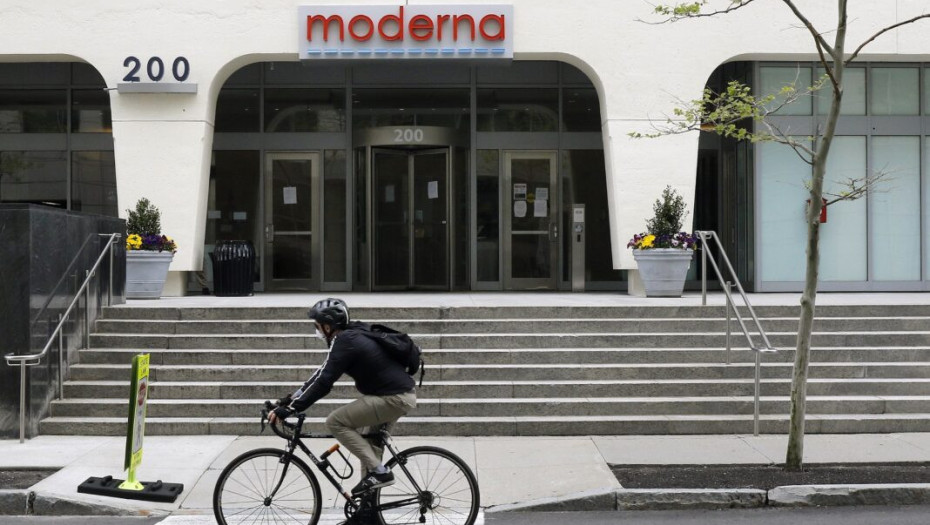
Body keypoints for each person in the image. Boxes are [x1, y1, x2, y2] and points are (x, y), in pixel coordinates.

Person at [268, 297, 417, 500]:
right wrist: (287, 401)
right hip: (396, 395)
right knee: (370, 451)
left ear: (328, 326)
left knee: (335, 422)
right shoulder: (349, 336)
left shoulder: (345, 341)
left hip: (393, 398)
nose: (317, 331)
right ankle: (368, 511)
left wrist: (292, 409)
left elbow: (324, 382)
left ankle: (381, 472)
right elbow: (319, 375)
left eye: (318, 326)